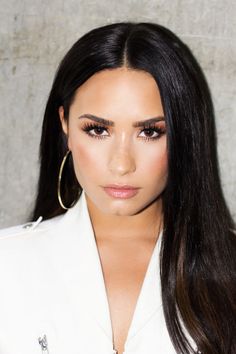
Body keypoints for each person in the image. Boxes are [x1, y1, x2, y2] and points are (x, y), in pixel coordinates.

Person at [0, 21, 235, 354]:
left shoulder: (229, 272)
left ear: (184, 135)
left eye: (150, 132)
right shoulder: (7, 264)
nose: (122, 164)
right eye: (98, 130)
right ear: (65, 124)